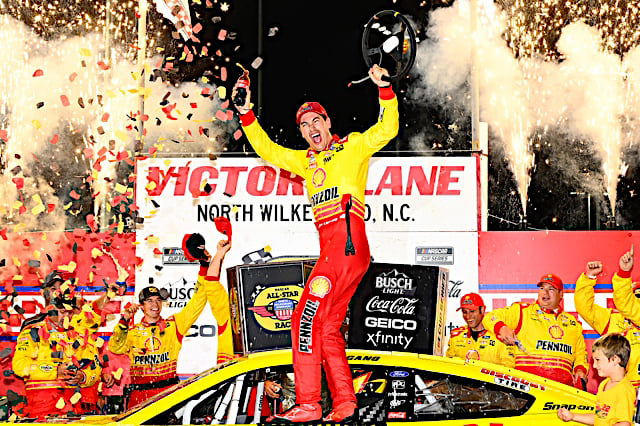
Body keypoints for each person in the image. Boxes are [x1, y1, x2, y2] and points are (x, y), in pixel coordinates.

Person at [232, 63, 398, 422]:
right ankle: (345, 403)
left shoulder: (351, 147)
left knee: (301, 321)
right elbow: (268, 150)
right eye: (304, 126)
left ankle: (309, 402)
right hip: (340, 253)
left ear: (328, 122)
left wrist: (384, 89)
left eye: (316, 122)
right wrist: (246, 114)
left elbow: (387, 128)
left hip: (346, 247)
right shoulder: (306, 162)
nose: (311, 130)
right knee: (325, 328)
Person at [109, 237, 231, 408]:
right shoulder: (132, 331)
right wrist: (123, 321)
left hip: (167, 393)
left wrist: (204, 267)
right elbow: (114, 347)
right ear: (142, 306)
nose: (155, 304)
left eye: (158, 300)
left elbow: (198, 300)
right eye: (149, 301)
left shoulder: (174, 324)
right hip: (139, 396)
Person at [483, 273, 589, 388]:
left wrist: (580, 370)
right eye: (542, 288)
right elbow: (490, 317)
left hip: (561, 391)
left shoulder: (573, 323)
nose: (545, 292)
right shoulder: (522, 311)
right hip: (526, 389)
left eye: (551, 289)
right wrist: (501, 328)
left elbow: (580, 355)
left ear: (561, 294)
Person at [12, 294, 102, 418]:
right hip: (40, 406)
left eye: (70, 313)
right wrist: (55, 370)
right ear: (50, 309)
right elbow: (19, 365)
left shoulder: (78, 336)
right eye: (63, 312)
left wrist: (82, 376)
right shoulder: (33, 332)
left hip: (72, 406)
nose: (67, 317)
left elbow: (94, 367)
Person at [575, 252, 640, 388]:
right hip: (619, 391)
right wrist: (589, 277)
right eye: (636, 296)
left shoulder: (629, 308)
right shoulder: (613, 319)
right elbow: (585, 307)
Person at [558, 333, 634, 426]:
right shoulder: (603, 385)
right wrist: (573, 416)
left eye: (597, 360)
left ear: (615, 359)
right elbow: (599, 417)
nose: (594, 365)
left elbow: (624, 424)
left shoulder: (624, 390)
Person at [446, 293, 515, 368]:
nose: (468, 316)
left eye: (472, 311)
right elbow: (449, 366)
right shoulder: (456, 336)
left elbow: (508, 370)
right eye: (464, 312)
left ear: (482, 310)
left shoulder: (501, 336)